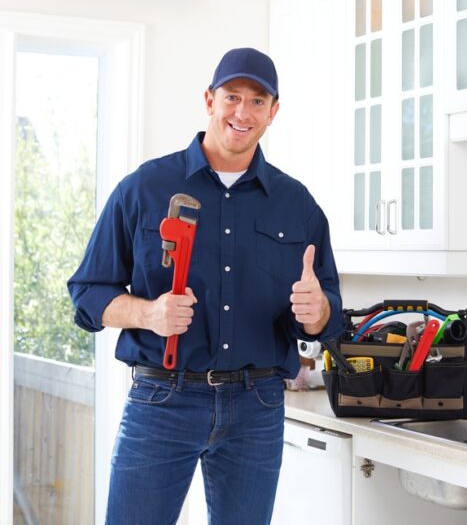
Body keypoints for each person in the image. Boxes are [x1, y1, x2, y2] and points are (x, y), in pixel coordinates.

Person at [68, 47, 345, 524]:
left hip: (257, 406)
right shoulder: (145, 188)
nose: (243, 112)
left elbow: (330, 315)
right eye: (232, 96)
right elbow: (89, 295)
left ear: (273, 112)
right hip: (162, 401)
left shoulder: (296, 204)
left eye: (258, 101)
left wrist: (318, 311)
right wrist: (147, 314)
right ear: (209, 100)